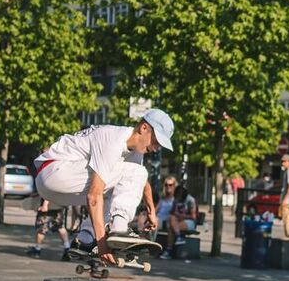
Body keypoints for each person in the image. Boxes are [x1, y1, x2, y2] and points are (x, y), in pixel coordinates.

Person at [33, 108, 174, 266]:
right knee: (130, 174)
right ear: (144, 128)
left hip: (55, 187)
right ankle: (119, 228)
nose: (156, 148)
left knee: (126, 180)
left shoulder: (136, 152)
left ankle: (85, 239)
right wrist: (102, 244)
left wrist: (151, 211)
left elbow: (141, 182)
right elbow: (94, 195)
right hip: (54, 169)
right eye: (156, 141)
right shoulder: (113, 139)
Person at [160, 183, 199, 259]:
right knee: (171, 219)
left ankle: (168, 251)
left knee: (171, 227)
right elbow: (173, 212)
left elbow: (193, 216)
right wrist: (176, 214)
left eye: (180, 196)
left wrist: (182, 216)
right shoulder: (176, 199)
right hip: (178, 221)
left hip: (189, 222)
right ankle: (178, 238)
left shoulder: (190, 200)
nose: (178, 197)